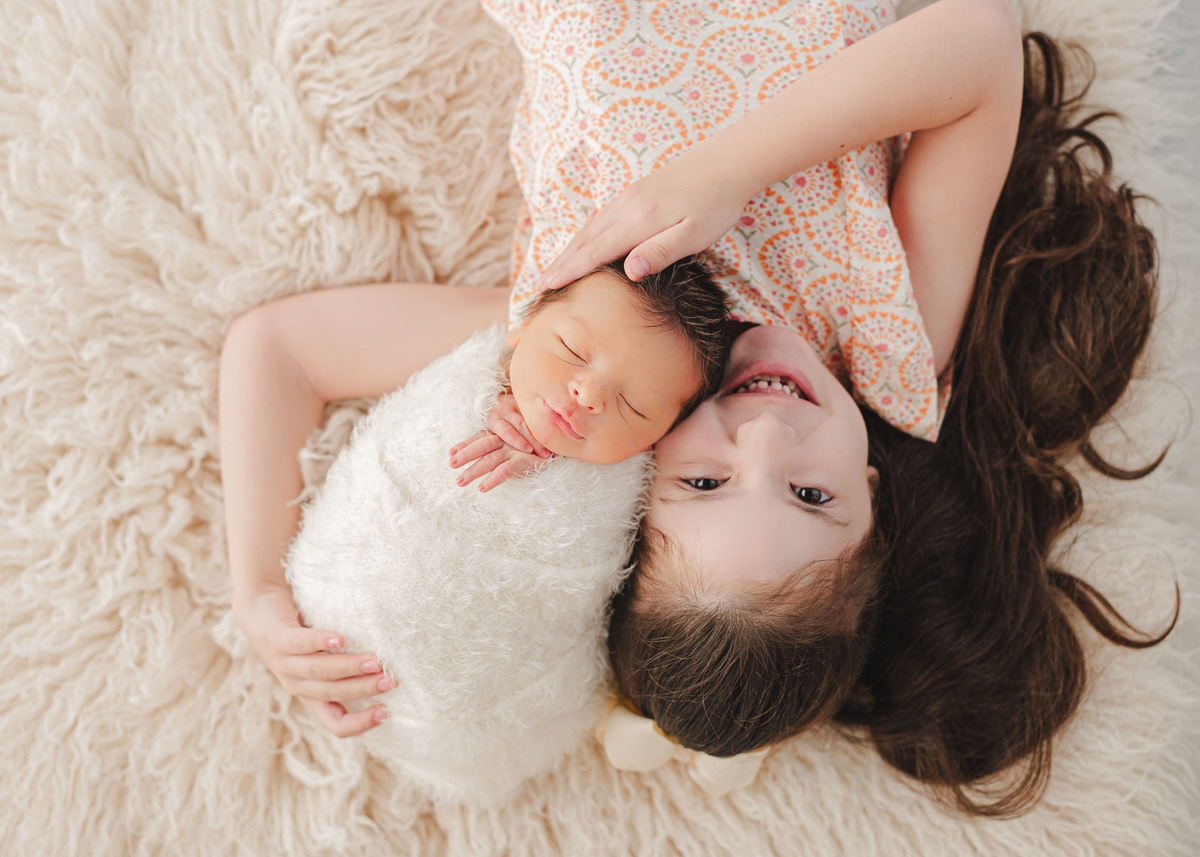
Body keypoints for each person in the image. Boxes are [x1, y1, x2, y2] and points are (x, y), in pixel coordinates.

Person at [460, 0, 1178, 815]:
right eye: (810, 494)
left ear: (639, 477)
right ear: (873, 494)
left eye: (705, 482)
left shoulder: (596, 354)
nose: (766, 435)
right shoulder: (894, 346)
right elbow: (982, 38)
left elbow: (326, 345)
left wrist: (297, 605)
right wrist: (728, 170)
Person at [219, 256, 728, 736]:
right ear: (525, 319)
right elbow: (273, 347)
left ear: (660, 441)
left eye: (634, 406)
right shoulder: (581, 311)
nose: (588, 394)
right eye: (572, 351)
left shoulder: (652, 442)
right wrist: (258, 587)